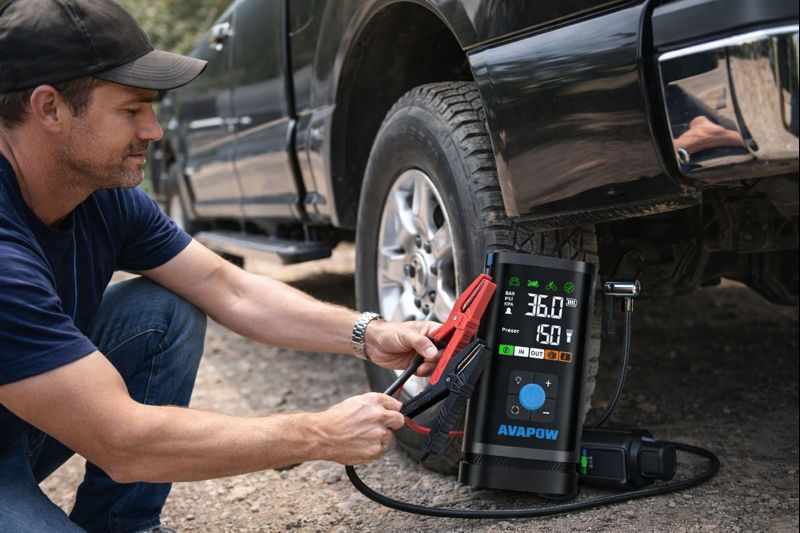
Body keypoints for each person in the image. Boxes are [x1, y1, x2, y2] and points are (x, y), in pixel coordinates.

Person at [0, 1, 441, 531]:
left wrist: (368, 333)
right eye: (132, 109)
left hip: (24, 419)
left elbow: (225, 286)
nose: (155, 130)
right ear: (49, 108)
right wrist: (316, 434)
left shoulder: (99, 196)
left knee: (163, 309)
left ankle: (122, 524)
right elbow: (121, 438)